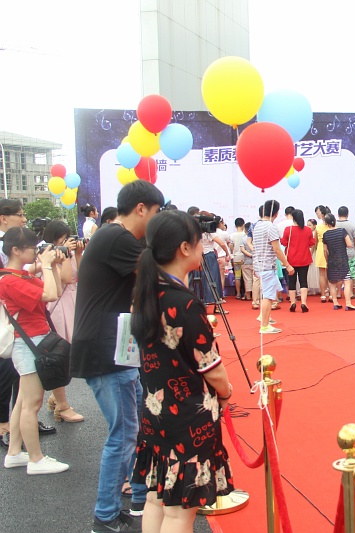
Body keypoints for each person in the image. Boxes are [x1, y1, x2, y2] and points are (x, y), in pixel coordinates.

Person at [130, 210, 235, 532]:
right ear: (184, 248)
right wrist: (226, 392)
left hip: (156, 411)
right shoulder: (184, 303)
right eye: (199, 242)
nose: (203, 248)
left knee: (155, 499)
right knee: (180, 512)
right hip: (188, 417)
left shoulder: (147, 292)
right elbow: (211, 367)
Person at [71, 180, 164, 532]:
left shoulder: (113, 237)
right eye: (156, 213)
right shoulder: (117, 238)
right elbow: (158, 277)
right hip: (105, 351)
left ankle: (135, 499)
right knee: (123, 434)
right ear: (140, 208)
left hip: (114, 349)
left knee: (132, 428)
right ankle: (105, 515)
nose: (156, 220)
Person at [0, 227, 69, 475]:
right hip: (28, 343)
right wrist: (47, 266)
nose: (36, 252)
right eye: (32, 248)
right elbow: (48, 294)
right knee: (32, 403)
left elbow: (56, 291)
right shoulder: (9, 280)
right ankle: (36, 460)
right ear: (16, 251)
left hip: (34, 340)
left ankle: (14, 453)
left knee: (22, 401)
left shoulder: (21, 275)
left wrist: (53, 266)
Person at [41, 220, 86, 423]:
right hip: (59, 306)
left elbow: (82, 276)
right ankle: (62, 405)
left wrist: (78, 253)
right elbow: (67, 278)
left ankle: (55, 399)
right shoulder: (50, 257)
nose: (68, 242)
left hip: (73, 303)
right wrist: (66, 255)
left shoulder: (69, 254)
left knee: (70, 355)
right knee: (59, 356)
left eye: (69, 238)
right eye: (63, 239)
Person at [0, 199, 33, 448]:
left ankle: (20, 424)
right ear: (3, 218)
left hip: (15, 314)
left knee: (19, 372)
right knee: (6, 369)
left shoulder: (13, 243)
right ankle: (4, 424)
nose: (23, 219)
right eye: (19, 215)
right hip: (6, 315)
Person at [252, 200, 295, 334]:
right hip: (267, 266)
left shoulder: (257, 225)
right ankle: (264, 326)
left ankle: (264, 317)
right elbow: (277, 249)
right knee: (268, 295)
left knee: (269, 292)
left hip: (260, 265)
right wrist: (287, 265)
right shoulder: (271, 227)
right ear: (276, 213)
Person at [280, 209, 315, 313]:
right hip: (304, 258)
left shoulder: (288, 229)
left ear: (293, 218)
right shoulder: (308, 230)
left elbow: (284, 242)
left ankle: (292, 302)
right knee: (303, 280)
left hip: (291, 259)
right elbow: (311, 243)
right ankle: (304, 303)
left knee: (292, 281)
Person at [322, 213, 355, 310]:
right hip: (342, 259)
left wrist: (327, 260)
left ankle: (335, 302)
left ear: (326, 223)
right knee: (347, 281)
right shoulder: (342, 231)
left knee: (332, 282)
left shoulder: (325, 235)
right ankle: (348, 303)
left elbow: (325, 251)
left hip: (331, 260)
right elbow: (349, 244)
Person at [198, 212, 229, 313]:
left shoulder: (195, 231)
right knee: (214, 280)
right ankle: (217, 306)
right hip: (209, 256)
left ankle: (202, 306)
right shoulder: (209, 231)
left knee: (200, 281)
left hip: (198, 257)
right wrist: (227, 253)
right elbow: (221, 243)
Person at [336, 206, 355, 300]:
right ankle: (350, 293)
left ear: (338, 214)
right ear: (347, 214)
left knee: (338, 273)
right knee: (350, 274)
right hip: (350, 252)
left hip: (337, 253)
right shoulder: (352, 225)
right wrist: (354, 245)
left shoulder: (334, 225)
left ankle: (338, 293)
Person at [313, 206, 331, 302]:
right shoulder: (332, 226)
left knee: (322, 274)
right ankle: (331, 294)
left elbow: (315, 241)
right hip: (331, 248)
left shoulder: (318, 227)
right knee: (331, 273)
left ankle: (323, 294)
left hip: (320, 248)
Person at [229, 218, 247, 299]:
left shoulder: (232, 235)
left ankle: (238, 293)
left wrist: (233, 253)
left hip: (236, 257)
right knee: (246, 277)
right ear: (243, 225)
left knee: (237, 276)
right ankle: (246, 293)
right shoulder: (245, 235)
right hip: (244, 257)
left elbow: (231, 246)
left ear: (235, 226)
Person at [241, 222, 254, 301]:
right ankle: (256, 297)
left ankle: (248, 296)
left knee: (247, 279)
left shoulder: (243, 238)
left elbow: (242, 250)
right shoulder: (257, 237)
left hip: (246, 261)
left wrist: (250, 255)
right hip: (256, 261)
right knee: (256, 280)